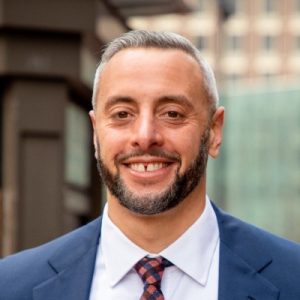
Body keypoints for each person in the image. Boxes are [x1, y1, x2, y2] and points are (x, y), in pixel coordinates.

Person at [0, 30, 300, 300]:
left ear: (214, 131)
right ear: (95, 133)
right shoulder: (12, 287)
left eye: (171, 113)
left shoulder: (293, 279)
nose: (145, 137)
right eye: (121, 114)